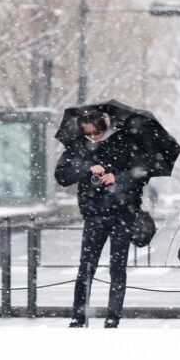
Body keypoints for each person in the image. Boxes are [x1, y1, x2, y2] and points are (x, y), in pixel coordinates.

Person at [55, 108, 151, 328]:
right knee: (86, 267)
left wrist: (118, 177)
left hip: (123, 213)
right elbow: (62, 176)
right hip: (94, 213)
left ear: (105, 124)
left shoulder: (126, 141)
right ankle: (78, 316)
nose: (93, 136)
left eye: (96, 131)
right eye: (88, 132)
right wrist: (86, 169)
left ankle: (113, 317)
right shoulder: (77, 145)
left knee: (117, 267)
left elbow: (143, 173)